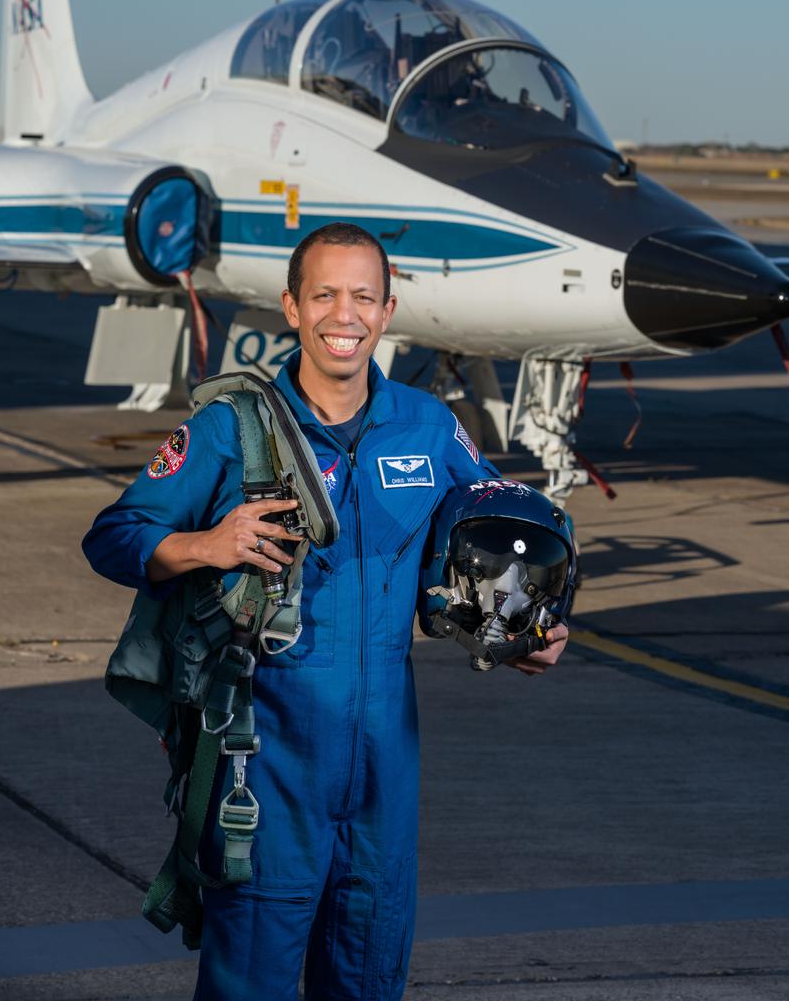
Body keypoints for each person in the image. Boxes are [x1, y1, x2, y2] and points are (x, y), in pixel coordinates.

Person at [82, 222, 568, 1000]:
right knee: (255, 978)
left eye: (364, 297)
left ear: (387, 311)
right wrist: (208, 543)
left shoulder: (428, 426)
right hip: (268, 761)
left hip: (385, 766)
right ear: (293, 308)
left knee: (371, 971)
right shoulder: (230, 427)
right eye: (326, 295)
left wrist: (526, 631)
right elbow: (114, 535)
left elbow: (489, 533)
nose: (346, 314)